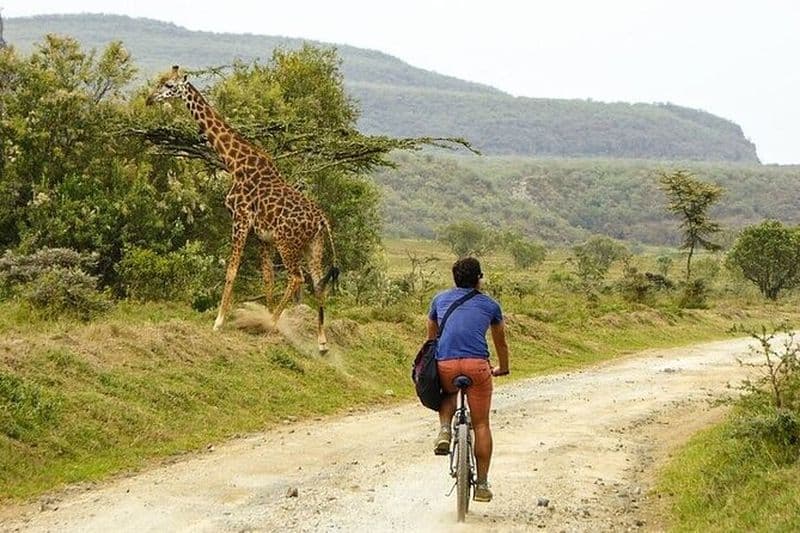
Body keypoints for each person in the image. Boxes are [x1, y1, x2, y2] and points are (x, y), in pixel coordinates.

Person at [426, 257, 510, 503]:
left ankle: (444, 429)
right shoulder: (491, 305)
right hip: (477, 366)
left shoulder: (439, 300)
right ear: (478, 279)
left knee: (448, 392)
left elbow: (431, 337)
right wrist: (503, 367)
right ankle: (482, 484)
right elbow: (501, 342)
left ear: (455, 278)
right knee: (481, 424)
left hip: (446, 364)